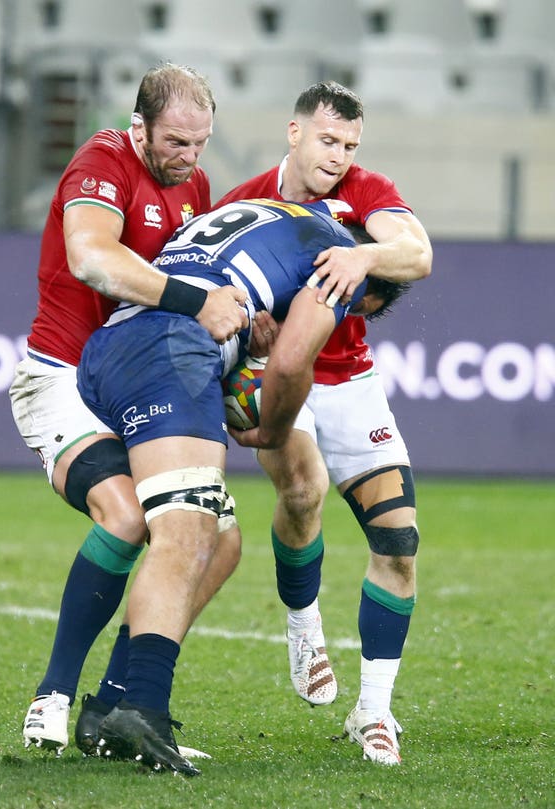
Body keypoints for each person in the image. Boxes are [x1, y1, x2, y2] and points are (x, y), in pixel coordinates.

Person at [75, 197, 408, 775]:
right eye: (359, 308)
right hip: (171, 353)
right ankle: (143, 709)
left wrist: (247, 335)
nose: (345, 318)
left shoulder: (270, 213)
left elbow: (220, 281)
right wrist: (271, 432)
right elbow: (289, 364)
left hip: (116, 345)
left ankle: (109, 705)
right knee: (186, 533)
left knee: (219, 543)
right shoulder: (341, 262)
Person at [9, 63, 248, 757]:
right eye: (176, 141)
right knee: (128, 514)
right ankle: (53, 692)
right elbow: (90, 257)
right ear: (138, 126)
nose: (190, 158)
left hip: (135, 383)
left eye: (201, 143)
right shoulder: (102, 161)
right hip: (60, 380)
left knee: (218, 541)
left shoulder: (192, 186)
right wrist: (194, 300)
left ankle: (114, 706)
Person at [216, 81, 433, 765]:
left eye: (349, 145)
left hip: (351, 383)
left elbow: (418, 253)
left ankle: (373, 709)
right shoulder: (243, 204)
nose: (338, 155)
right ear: (294, 132)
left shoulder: (365, 192)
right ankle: (303, 624)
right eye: (328, 140)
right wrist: (244, 325)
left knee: (399, 541)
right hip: (280, 378)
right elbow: (208, 293)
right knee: (303, 489)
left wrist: (361, 253)